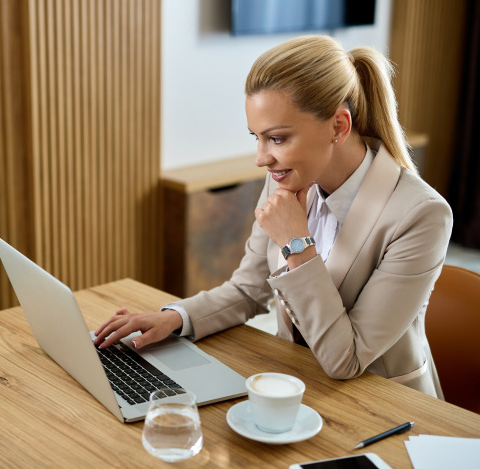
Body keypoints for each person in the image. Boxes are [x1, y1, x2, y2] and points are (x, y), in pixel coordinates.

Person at [94, 35, 453, 398]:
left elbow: (348, 359)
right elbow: (248, 289)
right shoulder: (287, 180)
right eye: (257, 138)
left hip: (384, 405)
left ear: (338, 127)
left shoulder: (421, 215)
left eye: (277, 139)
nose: (261, 159)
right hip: (295, 384)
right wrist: (175, 318)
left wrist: (297, 245)